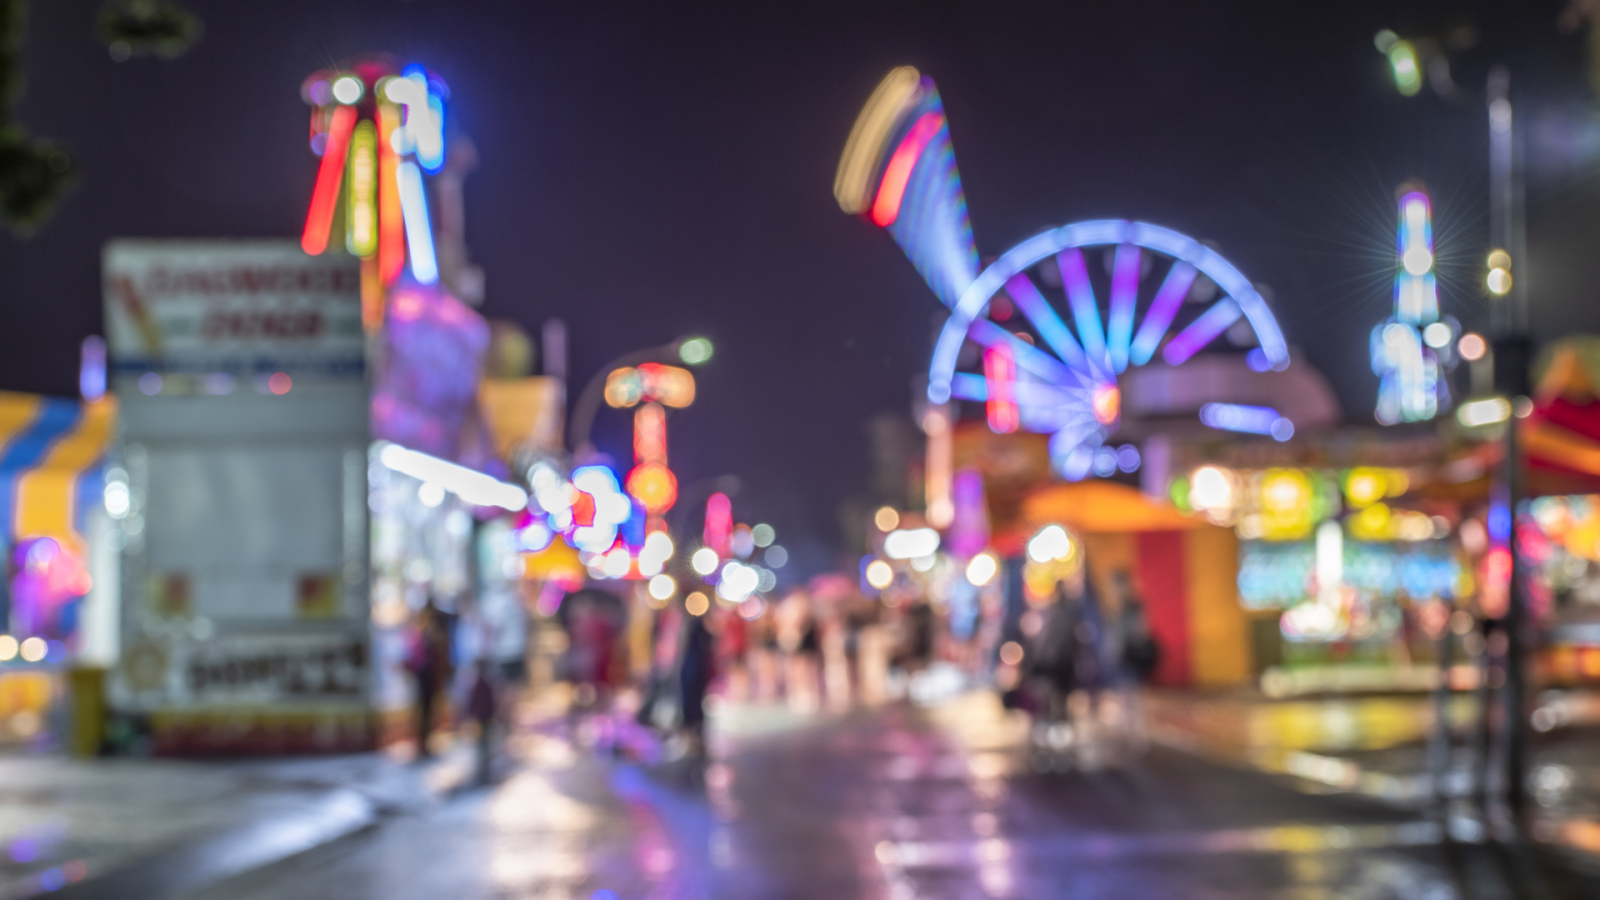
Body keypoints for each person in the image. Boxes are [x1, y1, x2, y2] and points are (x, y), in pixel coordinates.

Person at [405, 601, 452, 760]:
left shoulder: (423, 632)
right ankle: (422, 743)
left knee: (427, 710)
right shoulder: (422, 633)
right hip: (424, 676)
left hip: (426, 676)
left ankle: (424, 743)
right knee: (424, 711)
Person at [466, 659, 498, 784]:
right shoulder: (484, 683)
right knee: (483, 748)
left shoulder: (481, 684)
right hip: (482, 720)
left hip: (482, 720)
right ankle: (484, 774)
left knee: (483, 748)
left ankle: (484, 775)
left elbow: (477, 703)